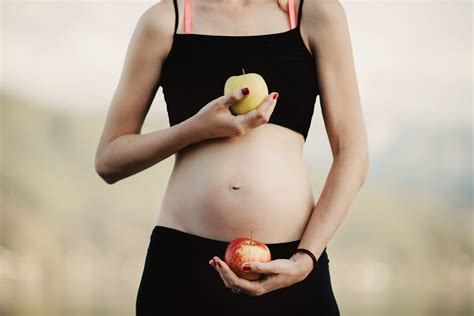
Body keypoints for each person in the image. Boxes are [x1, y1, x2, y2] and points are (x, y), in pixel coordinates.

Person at [95, 0, 368, 314]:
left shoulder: (316, 14)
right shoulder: (166, 20)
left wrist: (306, 257)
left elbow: (352, 154)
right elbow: (109, 159)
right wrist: (196, 128)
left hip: (290, 264)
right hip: (184, 266)